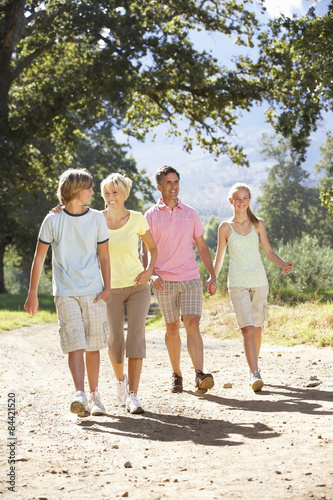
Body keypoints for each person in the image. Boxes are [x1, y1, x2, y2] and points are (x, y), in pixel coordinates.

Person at [24, 168, 111, 417]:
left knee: (93, 346)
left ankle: (95, 397)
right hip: (65, 293)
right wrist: (32, 293)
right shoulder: (52, 220)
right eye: (89, 188)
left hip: (94, 291)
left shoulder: (97, 219)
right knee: (75, 344)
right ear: (74, 191)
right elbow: (39, 258)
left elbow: (104, 256)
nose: (93, 192)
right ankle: (80, 395)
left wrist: (107, 288)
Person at [142, 165, 217, 395]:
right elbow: (146, 249)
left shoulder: (190, 213)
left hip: (190, 277)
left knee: (192, 323)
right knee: (172, 327)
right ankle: (177, 374)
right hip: (164, 280)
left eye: (176, 182)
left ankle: (199, 373)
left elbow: (202, 246)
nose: (173, 187)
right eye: (168, 183)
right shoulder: (151, 216)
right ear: (159, 187)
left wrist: (212, 274)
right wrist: (150, 273)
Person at [213, 182, 293, 392]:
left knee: (257, 328)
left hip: (259, 282)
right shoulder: (225, 228)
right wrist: (213, 278)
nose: (241, 202)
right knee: (247, 328)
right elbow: (219, 258)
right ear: (231, 201)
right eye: (237, 198)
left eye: (245, 198)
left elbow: (268, 251)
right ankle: (254, 373)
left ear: (250, 200)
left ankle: (253, 368)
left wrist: (282, 263)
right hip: (237, 283)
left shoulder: (258, 224)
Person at [100, 173, 157, 414]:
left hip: (137, 287)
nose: (111, 197)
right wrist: (58, 210)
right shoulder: (96, 219)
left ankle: (133, 395)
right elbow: (72, 219)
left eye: (115, 192)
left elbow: (152, 248)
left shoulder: (137, 219)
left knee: (135, 338)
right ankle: (120, 382)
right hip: (109, 288)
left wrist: (148, 272)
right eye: (106, 193)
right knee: (115, 341)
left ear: (124, 194)